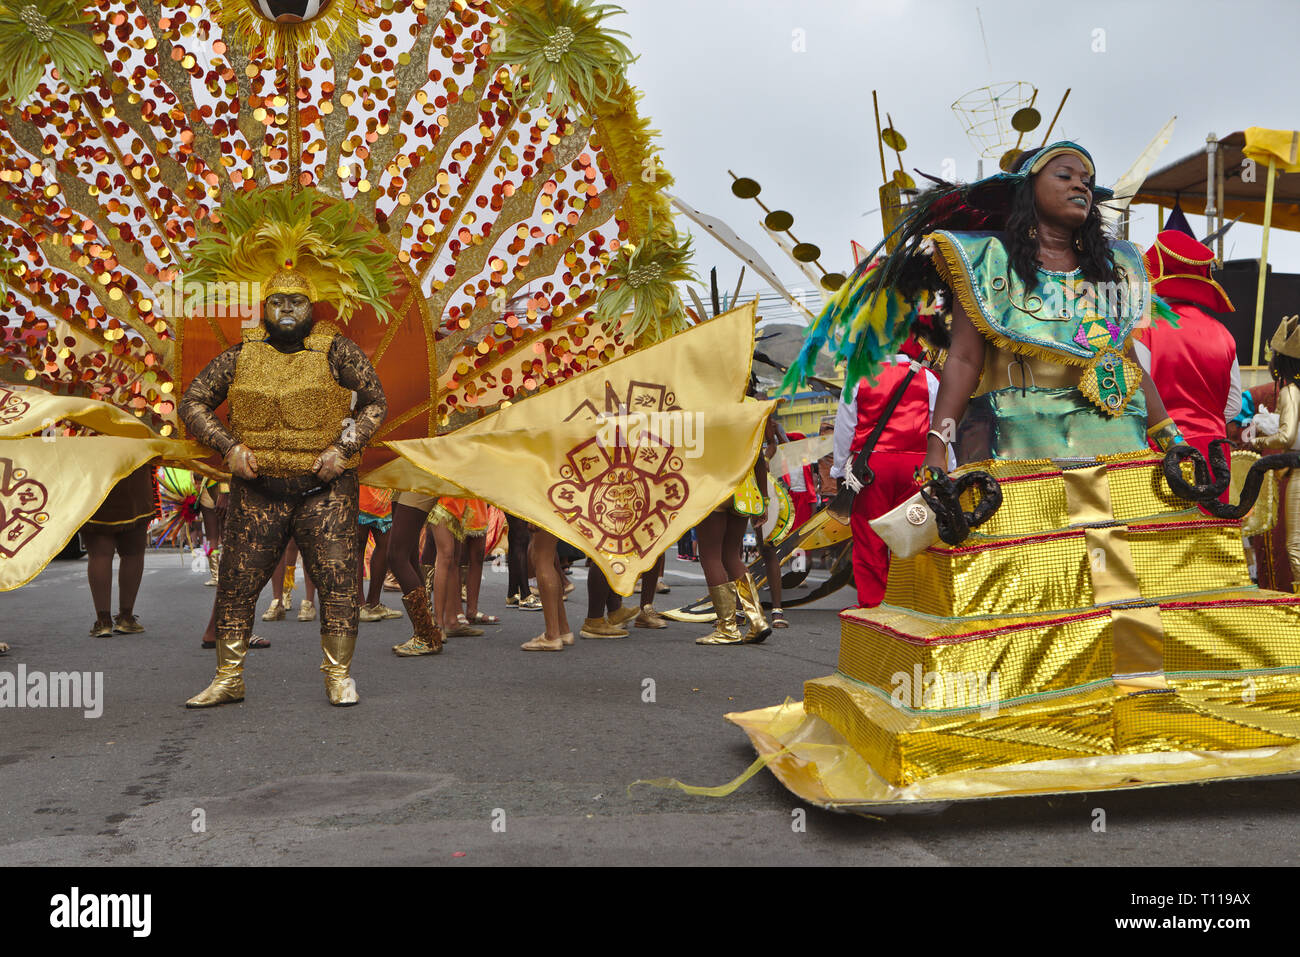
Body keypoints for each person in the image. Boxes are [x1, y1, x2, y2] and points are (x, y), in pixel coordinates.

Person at [776, 141, 1300, 792]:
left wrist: (1170, 437)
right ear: (1031, 190)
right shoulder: (988, 267)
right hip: (1024, 451)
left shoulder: (1111, 274)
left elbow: (1132, 363)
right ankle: (1036, 726)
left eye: (1089, 176)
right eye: (1067, 173)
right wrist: (939, 448)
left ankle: (1140, 713)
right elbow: (962, 364)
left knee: (1130, 589)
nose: (1083, 183)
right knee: (1041, 593)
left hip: (1118, 450)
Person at [180, 267, 387, 706]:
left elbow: (375, 402)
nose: (287, 308)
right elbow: (193, 401)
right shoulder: (240, 354)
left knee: (337, 581)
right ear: (264, 308)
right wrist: (228, 446)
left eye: (297, 300)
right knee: (236, 582)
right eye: (278, 301)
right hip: (257, 490)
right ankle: (228, 677)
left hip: (324, 490)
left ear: (312, 307)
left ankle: (339, 676)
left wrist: (342, 449)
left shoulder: (337, 351)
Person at [830, 334, 942, 608]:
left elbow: (845, 429)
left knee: (870, 538)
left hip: (871, 468)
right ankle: (912, 603)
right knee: (915, 532)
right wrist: (947, 466)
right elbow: (942, 424)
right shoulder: (929, 378)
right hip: (917, 467)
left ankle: (873, 605)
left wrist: (840, 470)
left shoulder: (858, 377)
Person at [1133, 229, 1241, 479]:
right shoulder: (1223, 333)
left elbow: (1137, 396)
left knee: (1169, 520)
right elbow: (1233, 405)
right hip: (1214, 453)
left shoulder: (1145, 326)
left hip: (1163, 451)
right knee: (1212, 518)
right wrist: (1203, 420)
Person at [82, 464, 156, 637]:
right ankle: (126, 617)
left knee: (100, 554)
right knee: (133, 553)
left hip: (96, 475)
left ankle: (103, 621)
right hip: (133, 470)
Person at [1254, 314, 1300, 588]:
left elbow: (1286, 436)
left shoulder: (1291, 391)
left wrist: (1259, 441)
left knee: (1295, 546)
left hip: (1299, 472)